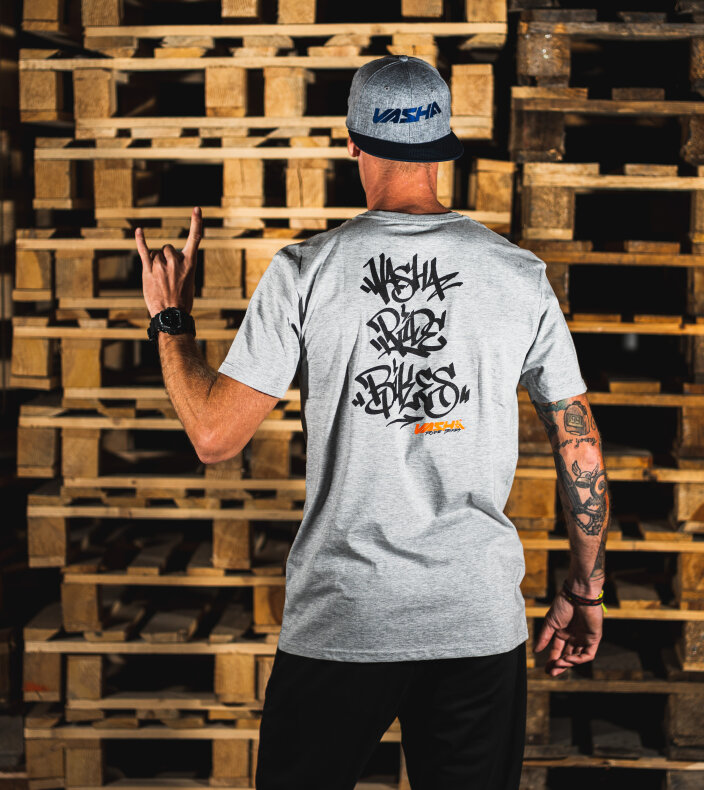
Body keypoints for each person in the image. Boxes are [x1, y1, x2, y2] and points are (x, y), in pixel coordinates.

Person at [136, 55, 610, 790]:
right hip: (473, 621)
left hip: (342, 618)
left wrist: (171, 320)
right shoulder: (518, 276)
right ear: (444, 148)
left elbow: (214, 435)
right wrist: (585, 589)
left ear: (352, 143)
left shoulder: (305, 271)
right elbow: (579, 445)